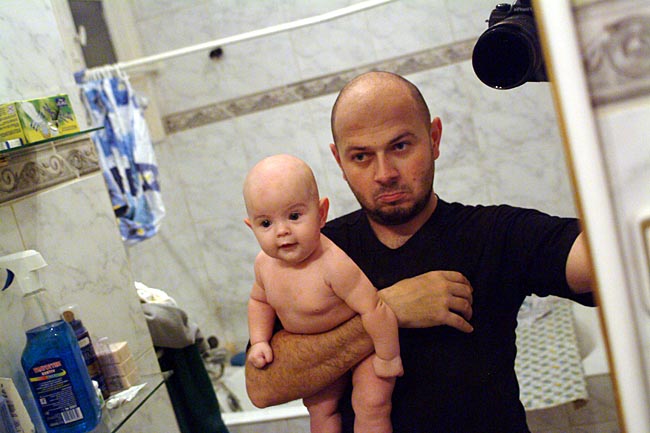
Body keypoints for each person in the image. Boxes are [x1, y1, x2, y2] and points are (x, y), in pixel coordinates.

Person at [245, 71, 595, 433]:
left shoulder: (494, 234)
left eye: (400, 147)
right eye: (361, 156)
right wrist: (389, 311)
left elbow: (603, 258)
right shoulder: (312, 252)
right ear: (339, 161)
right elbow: (262, 386)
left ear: (434, 138)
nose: (384, 173)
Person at [243, 154, 403, 433]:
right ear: (251, 227)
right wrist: (258, 341)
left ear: (321, 213)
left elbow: (375, 308)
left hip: (364, 352)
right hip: (318, 355)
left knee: (371, 404)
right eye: (266, 223)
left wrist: (388, 356)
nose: (282, 231)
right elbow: (259, 301)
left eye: (294, 216)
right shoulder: (263, 264)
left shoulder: (332, 263)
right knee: (320, 411)